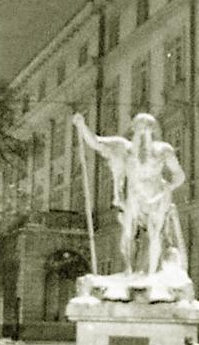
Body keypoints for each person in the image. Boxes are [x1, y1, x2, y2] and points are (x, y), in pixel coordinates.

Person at [72, 112, 185, 276]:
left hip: (157, 197)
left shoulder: (163, 151)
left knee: (155, 234)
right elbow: (96, 142)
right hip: (135, 196)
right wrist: (82, 126)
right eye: (139, 127)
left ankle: (152, 274)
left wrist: (169, 187)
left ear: (153, 131)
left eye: (146, 127)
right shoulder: (123, 148)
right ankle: (128, 270)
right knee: (127, 233)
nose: (142, 131)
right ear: (133, 130)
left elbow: (179, 175)